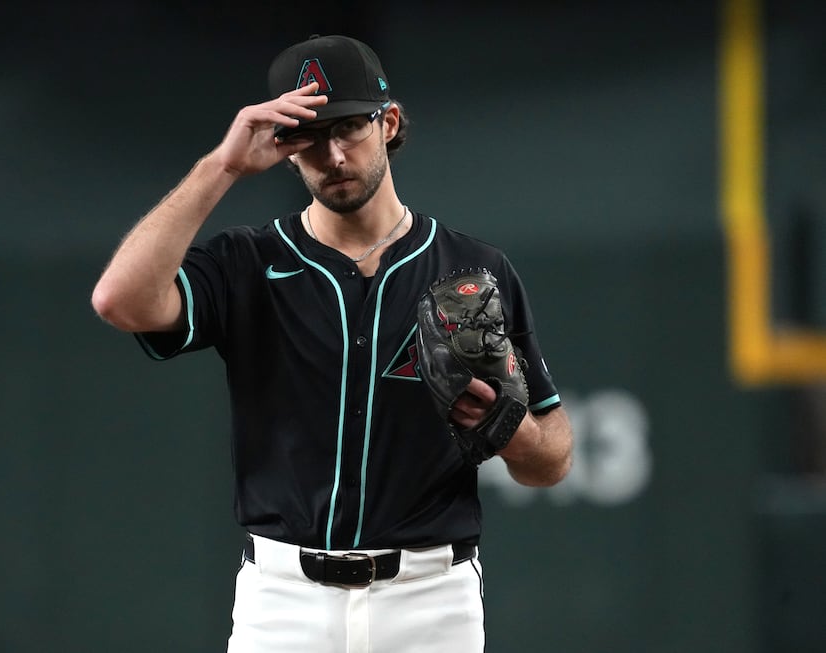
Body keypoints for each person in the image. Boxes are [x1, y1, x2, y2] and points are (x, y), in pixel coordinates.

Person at [92, 33, 572, 653]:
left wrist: (507, 427)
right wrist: (223, 166)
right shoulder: (248, 260)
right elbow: (118, 301)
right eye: (309, 136)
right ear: (285, 149)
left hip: (430, 597)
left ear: (389, 121)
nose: (334, 153)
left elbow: (552, 461)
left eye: (349, 127)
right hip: (284, 599)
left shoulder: (470, 271)